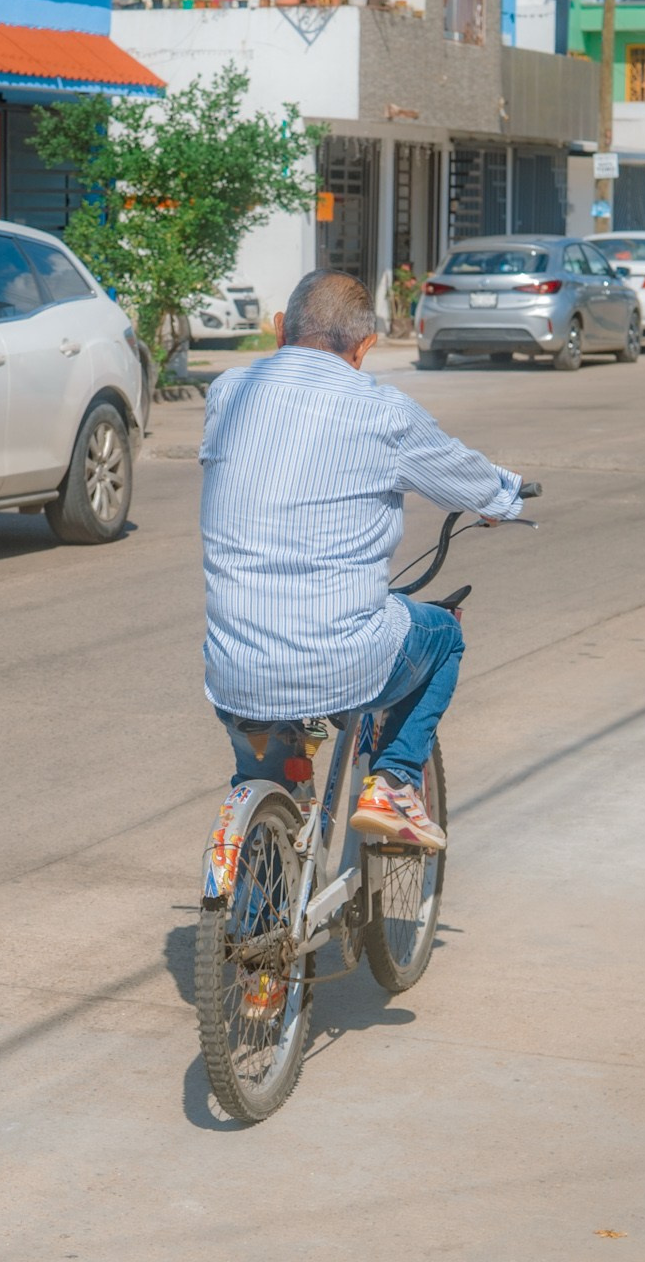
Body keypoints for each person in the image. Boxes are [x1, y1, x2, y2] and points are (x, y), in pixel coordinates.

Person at [200, 269, 524, 854]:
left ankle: (252, 911)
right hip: (342, 663)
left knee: (262, 778)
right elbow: (465, 477)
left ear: (280, 329)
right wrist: (504, 497)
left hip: (234, 668)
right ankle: (395, 784)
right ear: (365, 346)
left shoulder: (228, 393)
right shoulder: (383, 411)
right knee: (443, 635)